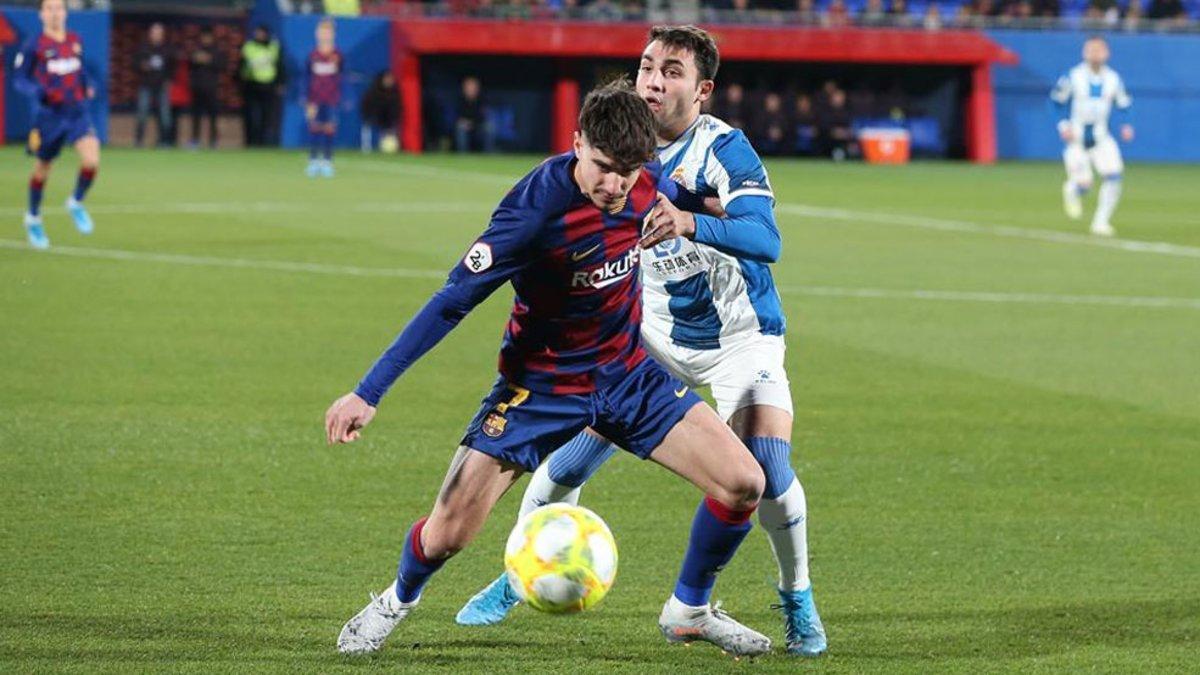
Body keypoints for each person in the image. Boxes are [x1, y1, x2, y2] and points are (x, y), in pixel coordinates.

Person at [326, 79, 772, 658]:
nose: (615, 186)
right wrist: (368, 391)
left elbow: (676, 195)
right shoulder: (533, 212)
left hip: (626, 375)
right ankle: (395, 601)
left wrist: (706, 211)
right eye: (603, 168)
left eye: (628, 172)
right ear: (577, 141)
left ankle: (688, 611)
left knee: (743, 483)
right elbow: (451, 302)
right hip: (539, 388)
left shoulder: (643, 180)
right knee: (448, 534)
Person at [455, 25, 828, 658]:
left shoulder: (724, 150)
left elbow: (767, 240)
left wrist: (690, 219)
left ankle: (796, 595)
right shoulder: (618, 142)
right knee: (566, 461)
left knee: (767, 470)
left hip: (739, 337)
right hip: (646, 336)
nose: (653, 81)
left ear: (702, 90)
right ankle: (521, 574)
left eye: (672, 72)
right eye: (647, 67)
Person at [13, 0, 100, 250]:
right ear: (41, 14)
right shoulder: (34, 44)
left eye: (59, 8)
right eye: (49, 9)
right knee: (43, 169)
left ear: (65, 13)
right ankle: (33, 218)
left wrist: (88, 84)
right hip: (50, 116)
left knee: (91, 161)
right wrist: (37, 91)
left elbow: (79, 70)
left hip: (77, 112)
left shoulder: (75, 40)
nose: (54, 13)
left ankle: (76, 201)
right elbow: (19, 79)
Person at [1051, 36, 1133, 237]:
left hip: (1101, 137)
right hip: (1076, 139)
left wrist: (1126, 125)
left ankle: (1100, 222)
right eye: (1091, 50)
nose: (1095, 54)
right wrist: (1063, 126)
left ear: (1107, 53)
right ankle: (1072, 189)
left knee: (1114, 176)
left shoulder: (1113, 79)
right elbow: (1055, 102)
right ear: (1084, 52)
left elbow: (1124, 104)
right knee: (1084, 185)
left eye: (1099, 50)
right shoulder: (1073, 76)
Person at [303, 19, 343, 177]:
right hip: (314, 98)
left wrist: (343, 96)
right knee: (314, 128)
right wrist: (306, 98)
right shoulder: (312, 55)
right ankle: (313, 161)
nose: (325, 35)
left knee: (329, 129)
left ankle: (327, 161)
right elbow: (306, 77)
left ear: (333, 34)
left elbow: (342, 76)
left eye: (328, 32)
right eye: (322, 32)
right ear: (317, 34)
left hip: (332, 98)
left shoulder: (338, 55)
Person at [239, 25, 281, 147]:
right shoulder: (249, 46)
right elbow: (242, 65)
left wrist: (280, 82)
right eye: (257, 33)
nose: (259, 35)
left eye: (261, 33)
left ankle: (264, 143)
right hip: (251, 85)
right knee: (251, 115)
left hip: (268, 85)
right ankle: (250, 142)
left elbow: (279, 65)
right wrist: (242, 80)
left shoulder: (273, 47)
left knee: (267, 116)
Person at [134, 22, 173, 147]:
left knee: (165, 115)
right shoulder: (143, 48)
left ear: (162, 34)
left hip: (161, 86)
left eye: (159, 33)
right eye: (154, 33)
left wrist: (168, 80)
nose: (156, 35)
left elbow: (173, 67)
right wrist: (142, 66)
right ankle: (139, 141)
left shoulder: (167, 49)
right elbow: (135, 64)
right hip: (146, 85)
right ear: (150, 34)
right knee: (142, 112)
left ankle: (165, 141)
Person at [188, 28, 224, 149]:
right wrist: (196, 59)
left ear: (211, 38)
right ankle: (195, 140)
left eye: (208, 37)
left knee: (213, 115)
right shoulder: (196, 50)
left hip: (211, 88)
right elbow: (190, 66)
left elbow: (221, 65)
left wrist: (209, 60)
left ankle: (213, 140)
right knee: (196, 115)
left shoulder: (217, 51)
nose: (205, 39)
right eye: (204, 37)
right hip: (197, 88)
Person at [360, 70, 401, 152]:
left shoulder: (394, 93)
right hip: (373, 116)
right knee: (367, 126)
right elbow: (367, 105)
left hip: (387, 119)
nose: (389, 81)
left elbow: (396, 108)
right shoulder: (373, 91)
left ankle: (390, 144)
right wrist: (370, 116)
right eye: (387, 79)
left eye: (390, 79)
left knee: (391, 128)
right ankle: (366, 147)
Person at [453, 76, 493, 152]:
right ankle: (463, 154)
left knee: (490, 127)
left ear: (477, 89)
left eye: (473, 87)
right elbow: (457, 116)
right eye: (469, 87)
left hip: (479, 125)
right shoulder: (459, 100)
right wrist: (463, 122)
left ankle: (488, 153)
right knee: (460, 127)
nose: (471, 89)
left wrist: (473, 123)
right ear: (464, 89)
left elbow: (483, 116)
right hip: (465, 125)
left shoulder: (483, 100)